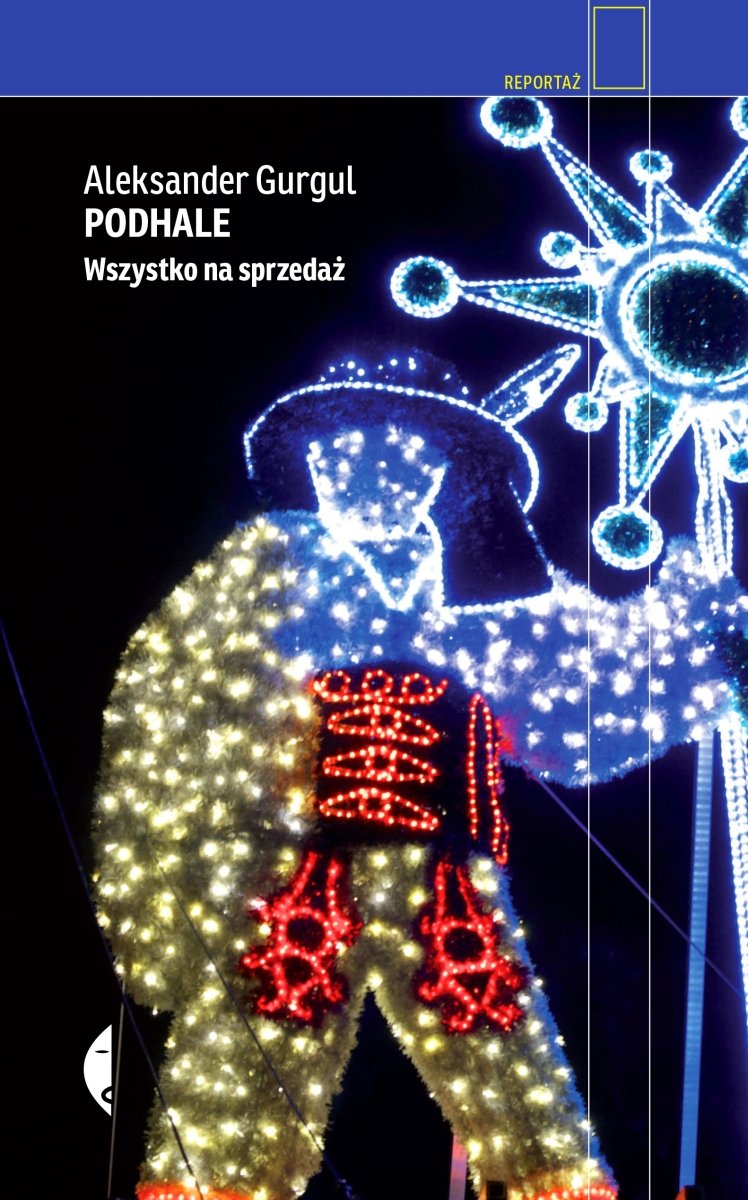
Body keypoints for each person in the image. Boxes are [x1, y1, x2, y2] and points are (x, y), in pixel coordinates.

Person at [95, 354, 744, 1200]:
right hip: (297, 880)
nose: (377, 474)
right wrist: (169, 892)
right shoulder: (273, 565)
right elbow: (168, 710)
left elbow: (574, 698)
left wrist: (697, 646)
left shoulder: (471, 595)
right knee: (241, 1085)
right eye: (349, 451)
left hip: (443, 884)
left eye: (406, 455)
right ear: (315, 462)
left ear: (440, 473)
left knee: (513, 1079)